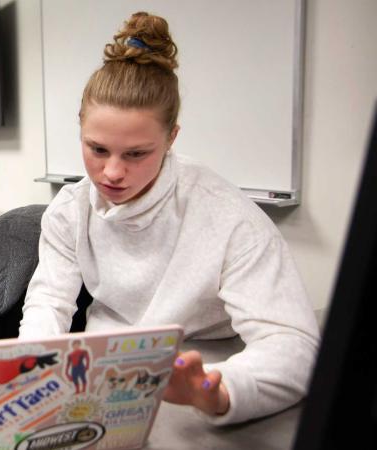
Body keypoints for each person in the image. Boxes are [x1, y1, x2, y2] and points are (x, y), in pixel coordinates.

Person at [18, 12, 320, 425]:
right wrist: (29, 377)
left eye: (137, 153)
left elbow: (294, 344)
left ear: (171, 138)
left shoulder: (228, 217)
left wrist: (217, 389)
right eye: (98, 149)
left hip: (195, 390)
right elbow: (47, 306)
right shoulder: (70, 211)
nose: (112, 173)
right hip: (101, 387)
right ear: (81, 130)